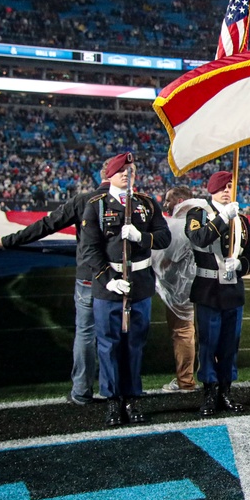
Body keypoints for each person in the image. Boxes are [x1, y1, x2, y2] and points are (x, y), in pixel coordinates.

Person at [0, 160, 109, 407]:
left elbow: (46, 225)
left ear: (102, 175)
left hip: (90, 276)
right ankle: (117, 390)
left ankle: (81, 391)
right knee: (118, 335)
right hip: (124, 278)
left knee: (86, 333)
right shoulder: (138, 202)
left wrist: (9, 240)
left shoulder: (84, 200)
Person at [79, 153, 170, 427]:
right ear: (111, 174)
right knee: (108, 345)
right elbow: (89, 249)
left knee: (135, 345)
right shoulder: (95, 205)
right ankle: (112, 400)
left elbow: (163, 237)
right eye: (122, 171)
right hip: (109, 286)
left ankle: (132, 398)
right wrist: (108, 279)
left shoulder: (146, 204)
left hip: (140, 283)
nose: (127, 175)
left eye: (131, 171)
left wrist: (141, 237)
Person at [186, 171, 250, 416]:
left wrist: (242, 265)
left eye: (230, 186)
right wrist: (221, 219)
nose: (227, 191)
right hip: (209, 290)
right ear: (212, 190)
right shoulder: (198, 215)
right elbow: (199, 238)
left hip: (233, 291)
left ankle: (226, 390)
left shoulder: (241, 219)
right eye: (222, 187)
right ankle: (209, 391)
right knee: (208, 343)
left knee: (230, 345)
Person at [152, 185, 198, 393]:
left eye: (169, 200)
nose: (165, 204)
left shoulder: (177, 226)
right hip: (209, 286)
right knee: (206, 333)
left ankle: (185, 381)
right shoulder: (206, 219)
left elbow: (164, 261)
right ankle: (211, 377)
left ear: (180, 201)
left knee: (183, 332)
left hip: (182, 291)